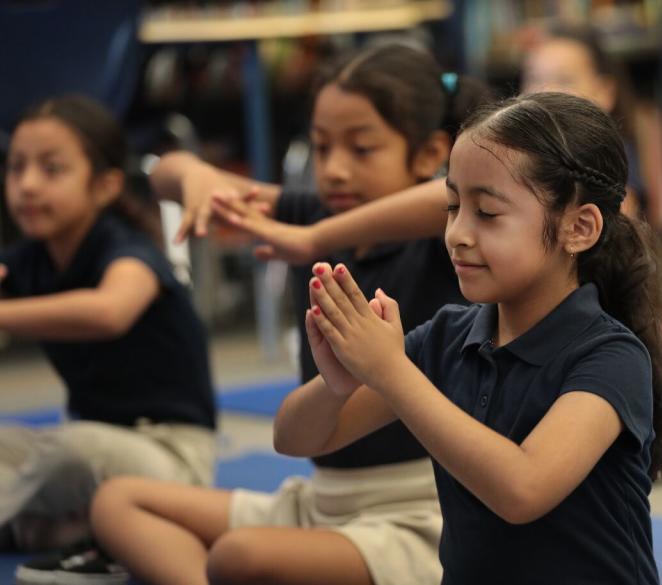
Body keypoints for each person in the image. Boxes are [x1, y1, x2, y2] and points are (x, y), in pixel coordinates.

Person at [89, 45, 490, 585]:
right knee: (118, 501)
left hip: (419, 515)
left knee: (242, 558)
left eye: (362, 148)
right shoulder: (313, 210)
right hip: (319, 502)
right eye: (321, 148)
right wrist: (196, 181)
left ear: (427, 155)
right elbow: (166, 171)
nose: (334, 169)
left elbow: (447, 191)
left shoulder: (445, 237)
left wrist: (317, 237)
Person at [277, 92, 662, 584]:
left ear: (579, 227)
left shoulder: (610, 356)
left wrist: (390, 371)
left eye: (486, 213)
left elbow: (522, 490)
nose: (457, 233)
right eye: (451, 206)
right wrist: (337, 385)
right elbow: (297, 438)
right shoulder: (447, 336)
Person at [0, 95, 216, 568]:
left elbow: (110, 312)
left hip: (169, 455)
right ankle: (56, 528)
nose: (28, 185)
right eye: (17, 168)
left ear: (105, 186)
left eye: (51, 169)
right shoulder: (30, 257)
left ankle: (43, 524)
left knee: (70, 450)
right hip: (93, 443)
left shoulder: (128, 249)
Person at [521, 24, 662, 231]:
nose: (545, 91)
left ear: (604, 91)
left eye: (564, 80)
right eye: (534, 78)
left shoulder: (611, 161)